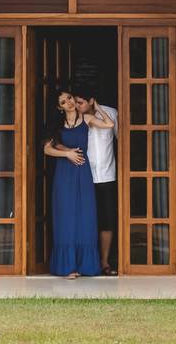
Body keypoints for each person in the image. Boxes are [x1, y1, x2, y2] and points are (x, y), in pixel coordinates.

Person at [43, 90, 114, 278]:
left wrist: (97, 107)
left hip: (83, 173)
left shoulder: (87, 119)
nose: (69, 102)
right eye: (63, 101)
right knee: (66, 217)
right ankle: (67, 267)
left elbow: (109, 124)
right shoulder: (58, 125)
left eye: (69, 98)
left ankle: (86, 265)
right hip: (64, 174)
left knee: (85, 216)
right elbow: (47, 149)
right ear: (59, 107)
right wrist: (67, 154)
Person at [74, 86, 119, 276]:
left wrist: (99, 110)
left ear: (91, 101)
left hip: (108, 175)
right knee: (87, 220)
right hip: (86, 176)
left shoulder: (111, 113)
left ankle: (104, 262)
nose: (77, 106)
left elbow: (120, 138)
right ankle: (85, 262)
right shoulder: (75, 119)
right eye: (75, 102)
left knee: (107, 220)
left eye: (80, 102)